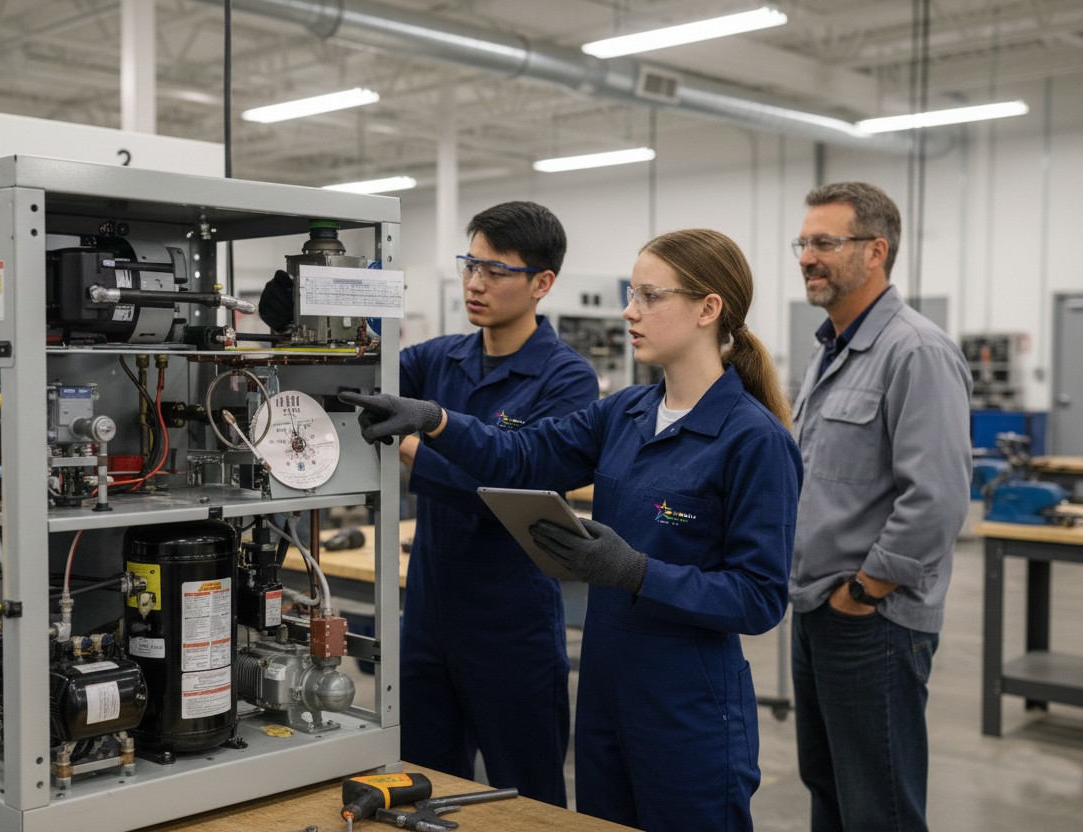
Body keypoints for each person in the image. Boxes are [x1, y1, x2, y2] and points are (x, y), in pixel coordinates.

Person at [342, 228, 803, 831]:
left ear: (707, 309)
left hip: (687, 706)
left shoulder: (754, 440)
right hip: (605, 695)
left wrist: (637, 572)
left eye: (648, 297)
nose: (628, 311)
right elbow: (523, 455)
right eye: (630, 294)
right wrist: (438, 420)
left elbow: (760, 596)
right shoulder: (627, 412)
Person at [398, 202, 597, 805]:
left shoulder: (566, 380)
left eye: (496, 270)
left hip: (511, 624)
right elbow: (357, 380)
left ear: (542, 283)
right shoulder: (437, 359)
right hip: (428, 615)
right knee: (419, 788)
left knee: (526, 797)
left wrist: (415, 450)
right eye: (470, 264)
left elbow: (515, 496)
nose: (476, 283)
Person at [788, 182, 972, 831]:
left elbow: (939, 500)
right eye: (804, 243)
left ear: (875, 251)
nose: (808, 256)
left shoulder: (916, 351)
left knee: (878, 807)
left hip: (874, 618)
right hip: (815, 608)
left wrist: (862, 593)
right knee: (830, 791)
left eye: (825, 243)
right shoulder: (829, 351)